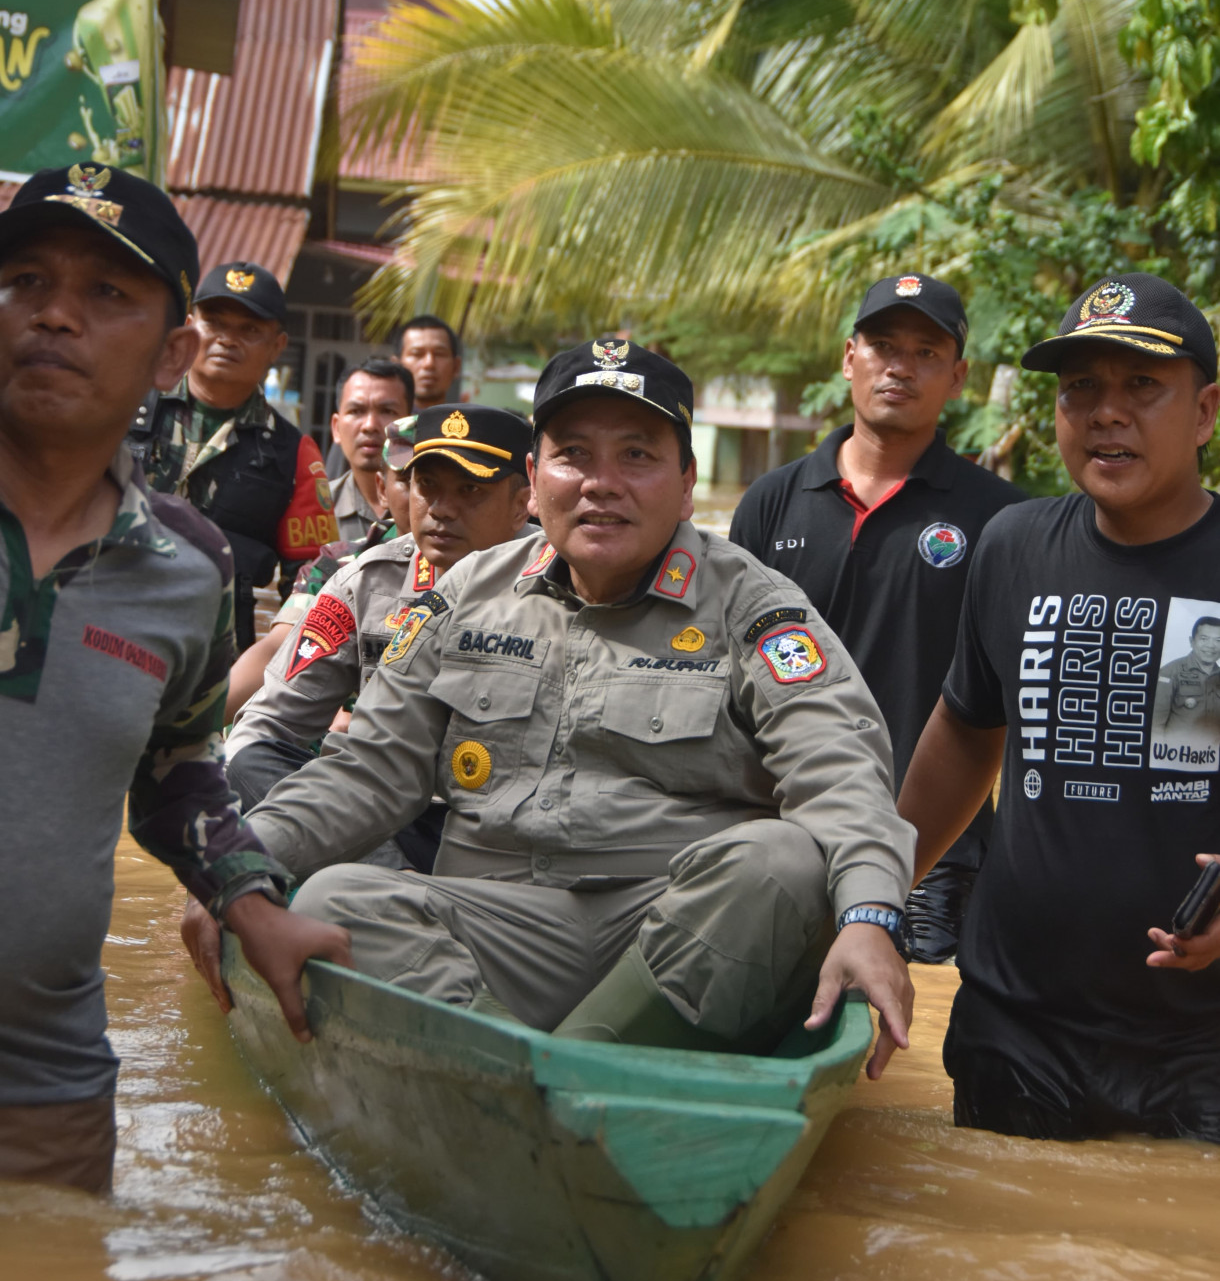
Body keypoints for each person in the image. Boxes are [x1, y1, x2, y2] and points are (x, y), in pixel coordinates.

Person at [184, 337, 916, 1072]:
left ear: (686, 482)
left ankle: (534, 1078)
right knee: (333, 900)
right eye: (574, 455)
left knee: (785, 863)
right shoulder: (464, 593)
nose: (603, 483)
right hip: (500, 930)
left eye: (637, 456)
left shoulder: (754, 607)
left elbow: (840, 770)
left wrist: (870, 917)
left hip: (687, 940)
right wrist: (240, 868)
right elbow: (367, 771)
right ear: (534, 480)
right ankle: (548, 1078)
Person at [0, 163, 348, 1194]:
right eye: (24, 279)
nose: (56, 313)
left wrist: (253, 904)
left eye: (108, 293)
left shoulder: (190, 569)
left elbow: (176, 774)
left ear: (171, 352)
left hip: (44, 1090)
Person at [898, 273, 1220, 1141]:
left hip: (1199, 1040)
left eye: (1141, 387)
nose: (1106, 413)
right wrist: (869, 901)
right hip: (1018, 1022)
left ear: (1205, 412)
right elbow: (966, 734)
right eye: (1081, 388)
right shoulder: (1014, 547)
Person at [730, 274, 1024, 963]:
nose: (900, 365)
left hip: (935, 846)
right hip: (783, 824)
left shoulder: (1002, 518)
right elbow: (724, 670)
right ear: (848, 358)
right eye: (883, 344)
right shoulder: (774, 501)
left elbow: (1012, 704)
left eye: (926, 352)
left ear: (958, 376)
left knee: (912, 1045)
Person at [225, 406, 533, 879]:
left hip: (507, 832)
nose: (441, 509)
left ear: (522, 502)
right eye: (427, 486)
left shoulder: (567, 586)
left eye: (470, 490)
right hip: (378, 815)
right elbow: (269, 724)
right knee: (251, 754)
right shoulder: (363, 583)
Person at [127, 261, 338, 650]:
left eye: (249, 330)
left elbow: (314, 579)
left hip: (213, 660)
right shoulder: (123, 407)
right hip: (104, 625)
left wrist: (266, 662)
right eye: (215, 323)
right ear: (189, 328)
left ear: (278, 346)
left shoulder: (293, 454)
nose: (228, 339)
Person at [327, 357, 414, 541]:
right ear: (336, 428)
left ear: (409, 425)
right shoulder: (319, 509)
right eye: (356, 411)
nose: (370, 425)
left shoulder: (431, 505)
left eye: (387, 411)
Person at [1152, 615, 1220, 738]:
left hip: (1211, 754)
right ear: (1191, 641)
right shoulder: (1170, 672)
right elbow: (1155, 725)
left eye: (1218, 640)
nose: (1211, 645)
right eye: (1204, 639)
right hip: (1177, 753)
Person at [398, 314, 462, 409]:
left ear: (456, 367)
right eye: (417, 354)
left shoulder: (467, 422)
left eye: (439, 354)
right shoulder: (377, 422)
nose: (429, 364)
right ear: (397, 365)